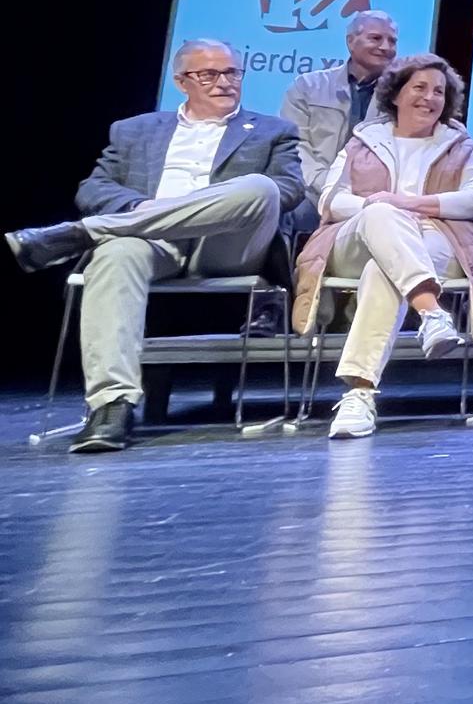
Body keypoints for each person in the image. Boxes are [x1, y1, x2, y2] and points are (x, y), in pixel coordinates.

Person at [5, 39, 303, 453]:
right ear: (182, 82)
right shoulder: (135, 130)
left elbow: (289, 191)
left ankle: (81, 234)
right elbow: (94, 187)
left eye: (232, 73)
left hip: (230, 246)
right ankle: (112, 406)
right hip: (152, 241)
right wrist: (143, 208)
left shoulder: (274, 130)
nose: (224, 83)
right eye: (209, 75)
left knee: (260, 188)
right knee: (114, 254)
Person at [290, 54, 473, 439]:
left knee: (383, 268)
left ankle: (360, 393)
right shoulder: (364, 140)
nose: (430, 98)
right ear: (396, 94)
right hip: (358, 236)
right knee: (381, 217)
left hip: (437, 238)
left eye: (439, 91)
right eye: (419, 88)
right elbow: (331, 200)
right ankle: (432, 314)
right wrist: (378, 205)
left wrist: (410, 204)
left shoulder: (459, 144)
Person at [278, 9, 397, 233]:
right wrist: (329, 189)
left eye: (392, 41)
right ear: (351, 42)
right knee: (286, 210)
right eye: (376, 38)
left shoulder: (401, 96)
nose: (386, 47)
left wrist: (360, 198)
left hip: (371, 198)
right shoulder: (308, 86)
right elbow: (295, 146)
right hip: (313, 192)